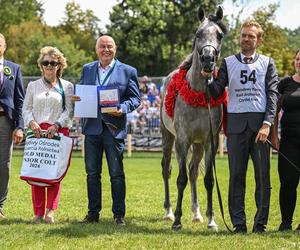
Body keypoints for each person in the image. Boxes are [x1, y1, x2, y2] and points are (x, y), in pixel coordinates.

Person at [202, 21, 279, 233]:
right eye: (243, 35)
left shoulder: (268, 63)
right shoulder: (227, 62)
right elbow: (217, 91)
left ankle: (260, 223)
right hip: (235, 127)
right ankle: (239, 223)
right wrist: (208, 78)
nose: (246, 39)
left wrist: (267, 124)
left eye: (251, 36)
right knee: (236, 176)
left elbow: (272, 95)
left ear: (259, 40)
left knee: (262, 176)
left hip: (260, 127)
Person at [73, 35, 140, 225]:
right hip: (92, 129)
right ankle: (93, 213)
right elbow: (83, 93)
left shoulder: (128, 71)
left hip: (114, 128)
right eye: (102, 46)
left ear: (115, 49)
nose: (106, 50)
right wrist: (77, 99)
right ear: (96, 49)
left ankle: (119, 214)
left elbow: (135, 99)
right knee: (92, 174)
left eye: (109, 46)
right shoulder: (87, 69)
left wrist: (123, 108)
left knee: (116, 174)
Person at [22, 46, 74, 223]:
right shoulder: (32, 86)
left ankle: (50, 211)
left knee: (53, 173)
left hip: (57, 132)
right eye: (46, 62)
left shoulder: (66, 86)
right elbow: (26, 109)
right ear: (41, 65)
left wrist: (57, 125)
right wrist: (31, 122)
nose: (49, 65)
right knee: (37, 171)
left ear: (59, 64)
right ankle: (37, 212)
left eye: (53, 62)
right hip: (36, 133)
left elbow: (69, 111)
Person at [271, 48, 300, 231]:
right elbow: (273, 110)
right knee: (288, 182)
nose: (299, 62)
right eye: (297, 58)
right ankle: (286, 222)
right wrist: (274, 135)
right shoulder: (285, 84)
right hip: (289, 142)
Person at [0, 33, 25, 220]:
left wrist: (20, 126)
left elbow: (19, 100)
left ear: (4, 46)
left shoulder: (14, 69)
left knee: (4, 165)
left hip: (5, 122)